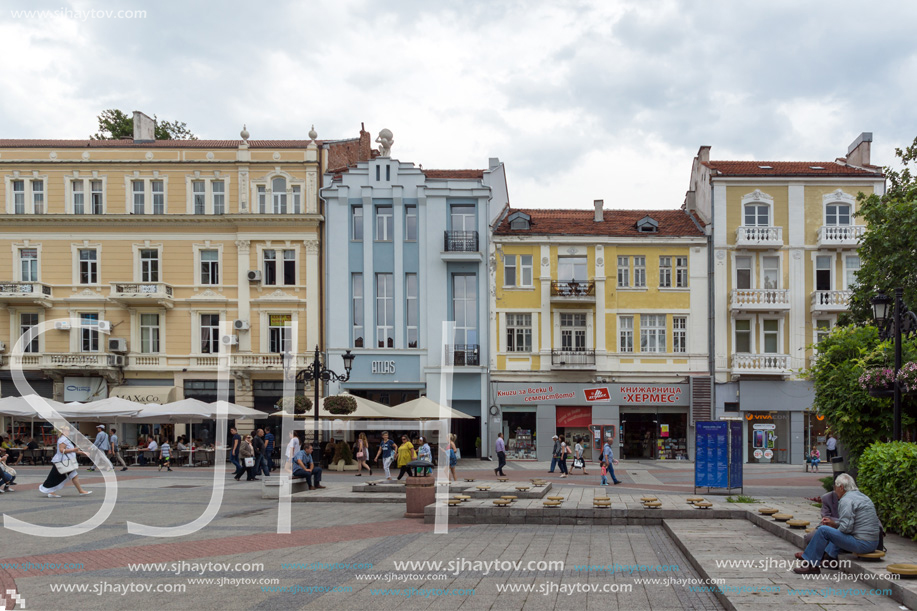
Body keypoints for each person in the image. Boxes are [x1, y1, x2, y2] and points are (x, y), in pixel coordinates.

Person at [793, 473, 881, 574]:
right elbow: (851, 523)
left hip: (862, 544)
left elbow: (846, 528)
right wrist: (834, 524)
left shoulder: (846, 500)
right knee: (831, 531)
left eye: (835, 487)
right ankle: (828, 558)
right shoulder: (863, 497)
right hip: (873, 543)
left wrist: (832, 529)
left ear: (841, 487)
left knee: (822, 530)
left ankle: (811, 565)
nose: (835, 490)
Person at [39, 425, 93, 498]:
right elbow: (62, 450)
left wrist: (82, 452)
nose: (69, 432)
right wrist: (75, 450)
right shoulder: (63, 439)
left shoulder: (64, 439)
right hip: (64, 462)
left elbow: (71, 450)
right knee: (70, 475)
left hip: (64, 461)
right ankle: (80, 491)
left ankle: (80, 491)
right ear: (63, 431)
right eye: (67, 430)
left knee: (58, 476)